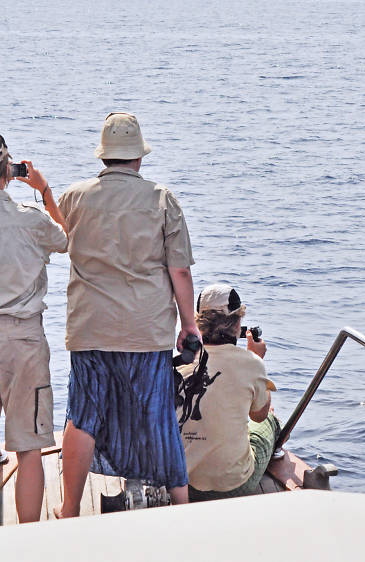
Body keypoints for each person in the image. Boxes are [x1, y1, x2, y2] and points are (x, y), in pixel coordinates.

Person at [55, 113, 200, 518]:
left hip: (90, 328)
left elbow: (52, 239)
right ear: (138, 158)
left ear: (104, 157)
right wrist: (189, 325)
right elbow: (181, 271)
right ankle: (181, 507)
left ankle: (68, 510)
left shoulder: (74, 197)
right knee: (158, 417)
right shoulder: (161, 198)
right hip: (146, 330)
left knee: (82, 416)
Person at [0, 135, 68, 522]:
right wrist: (43, 189)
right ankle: (28, 544)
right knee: (27, 450)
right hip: (22, 340)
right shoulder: (30, 218)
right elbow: (66, 240)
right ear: (8, 173)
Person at [177, 284, 279, 502]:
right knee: (269, 417)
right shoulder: (251, 363)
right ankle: (276, 451)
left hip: (184, 483)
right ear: (237, 324)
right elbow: (257, 416)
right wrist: (257, 359)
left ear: (198, 323)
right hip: (234, 486)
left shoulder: (180, 364)